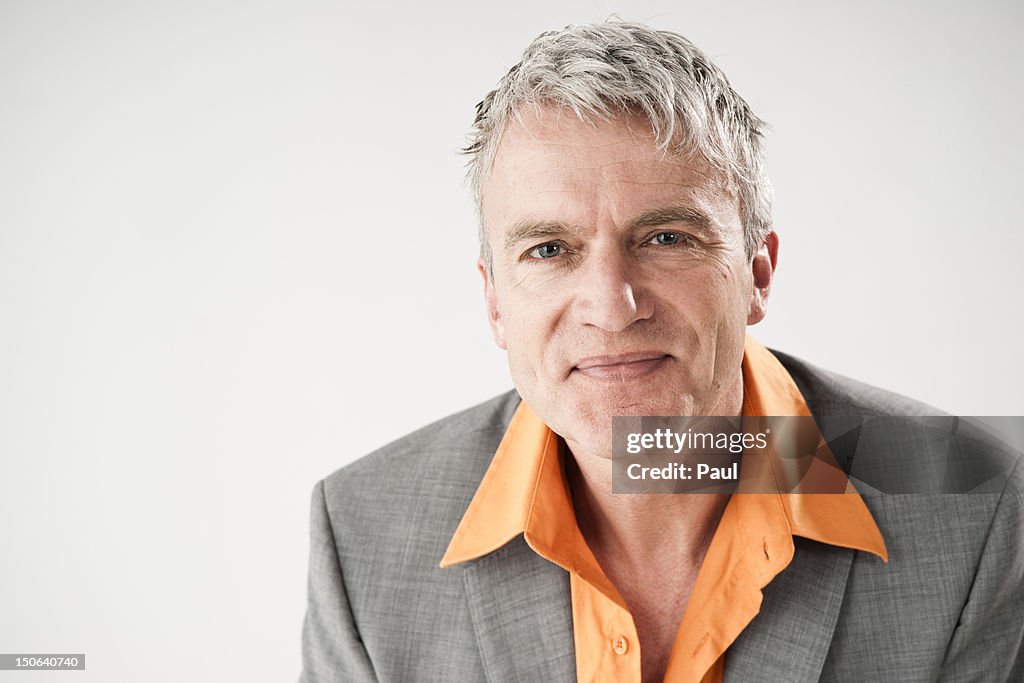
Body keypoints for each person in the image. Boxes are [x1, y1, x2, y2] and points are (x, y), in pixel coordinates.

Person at [300, 21, 1023, 682]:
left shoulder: (979, 512)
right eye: (550, 249)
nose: (612, 306)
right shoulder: (364, 535)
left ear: (756, 274)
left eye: (665, 238)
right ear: (495, 301)